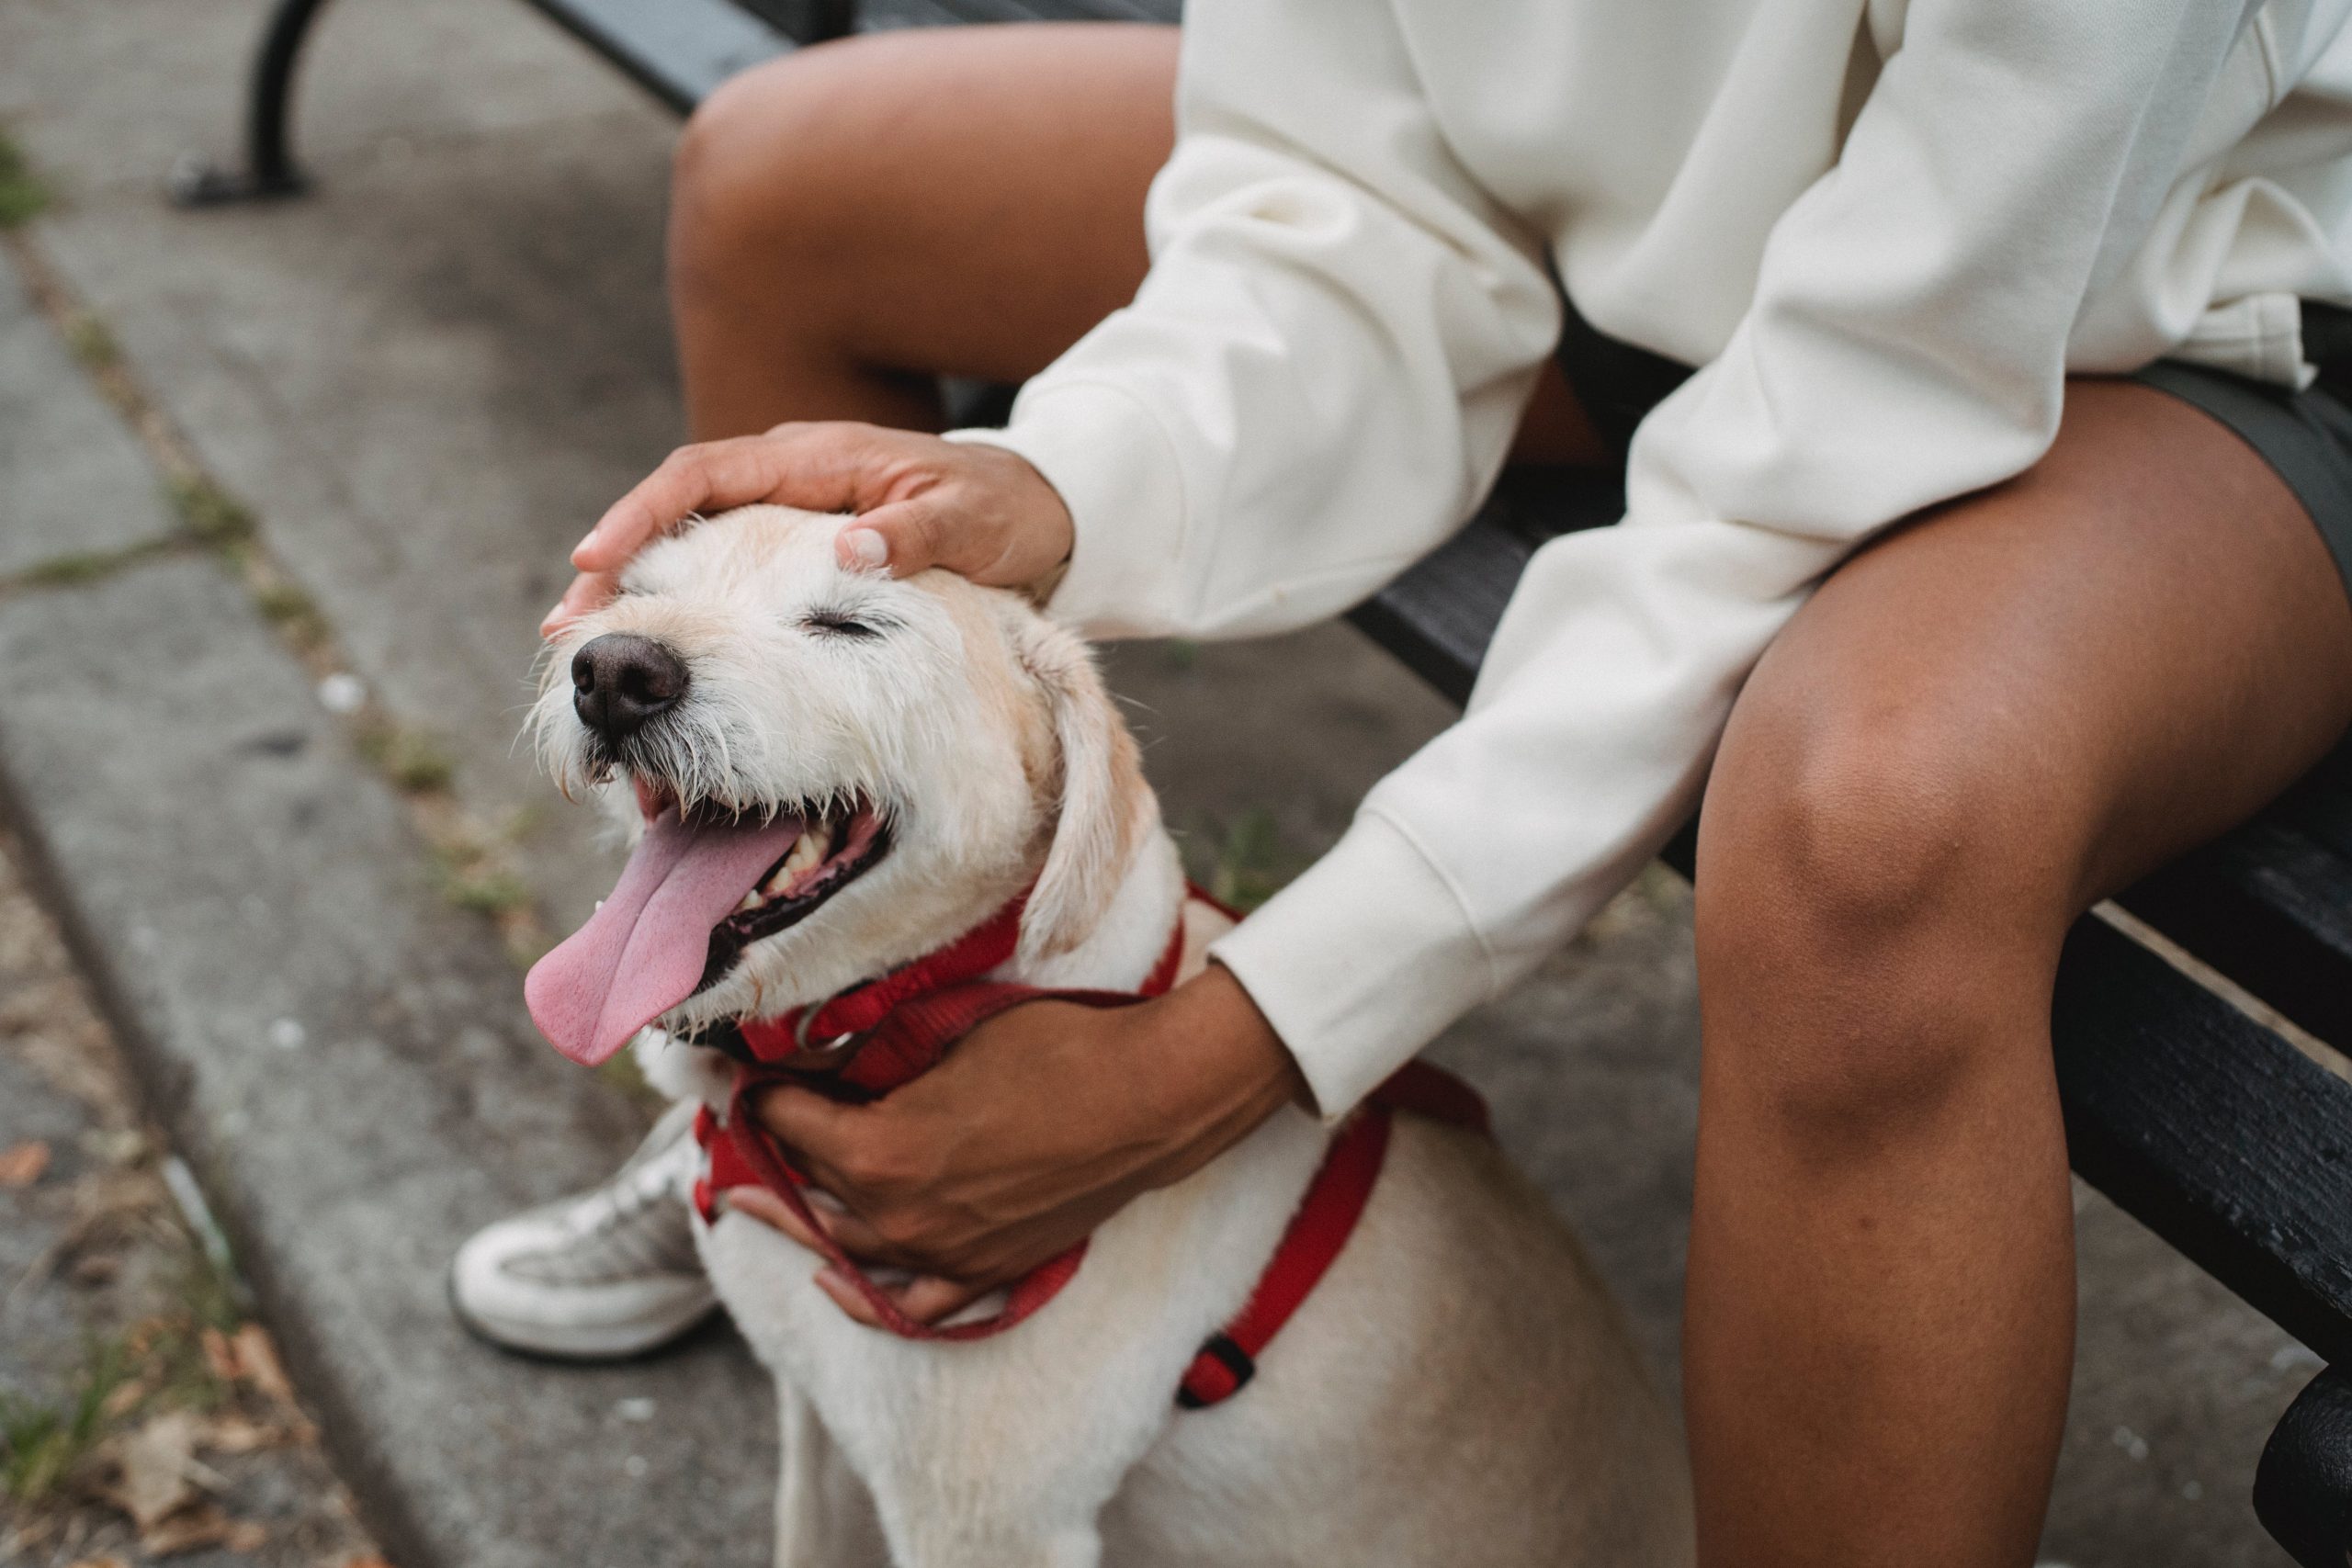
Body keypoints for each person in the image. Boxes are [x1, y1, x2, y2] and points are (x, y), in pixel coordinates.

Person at [450, 2, 2352, 1559]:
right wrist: (1061, 486)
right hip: (1627, 272)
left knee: (1872, 813)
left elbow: (1877, 389)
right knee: (780, 182)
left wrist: (1242, 1036)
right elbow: (1327, 192)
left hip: (2157, 311)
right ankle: (782, 1082)